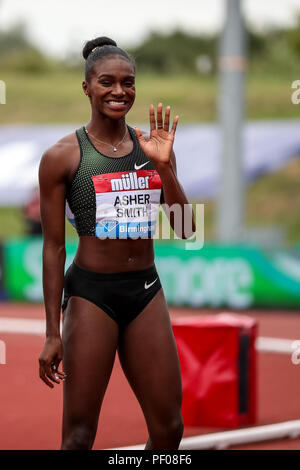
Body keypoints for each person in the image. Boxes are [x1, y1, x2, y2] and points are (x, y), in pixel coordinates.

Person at [38, 36, 196, 451]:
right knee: (79, 435)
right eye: (107, 82)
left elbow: (185, 229)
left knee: (169, 429)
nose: (119, 91)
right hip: (91, 294)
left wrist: (165, 169)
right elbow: (53, 248)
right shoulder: (63, 156)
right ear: (87, 87)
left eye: (128, 82)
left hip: (145, 290)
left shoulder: (153, 148)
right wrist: (52, 332)